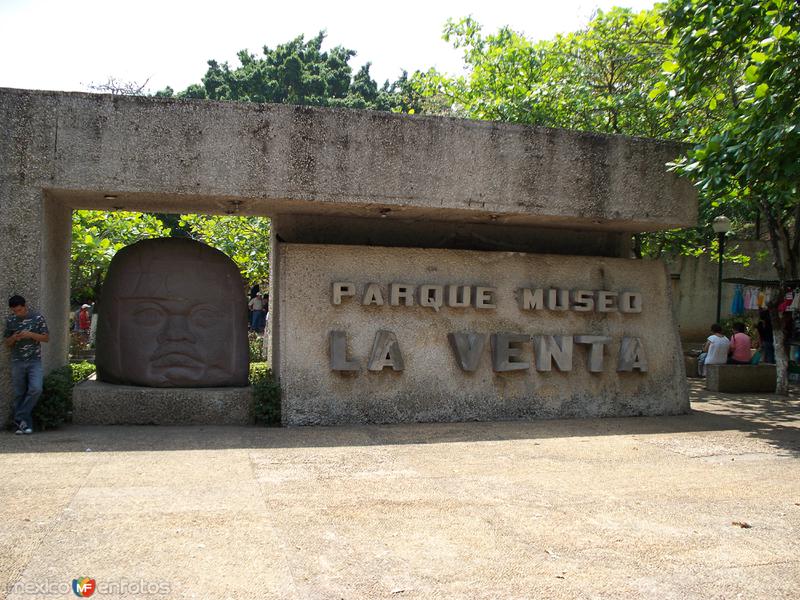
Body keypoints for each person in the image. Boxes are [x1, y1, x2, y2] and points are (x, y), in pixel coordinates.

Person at [3, 295, 49, 434]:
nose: (18, 313)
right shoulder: (11, 320)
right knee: (19, 393)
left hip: (34, 360)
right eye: (15, 311)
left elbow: (46, 338)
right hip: (17, 361)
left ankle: (18, 417)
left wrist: (30, 334)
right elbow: (7, 343)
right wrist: (14, 338)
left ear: (25, 306)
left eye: (20, 310)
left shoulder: (37, 318)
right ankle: (23, 425)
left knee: (36, 389)